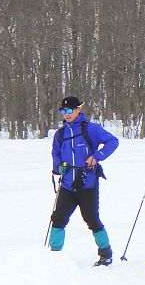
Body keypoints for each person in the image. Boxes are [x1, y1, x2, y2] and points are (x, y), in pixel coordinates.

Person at [48, 95, 120, 266]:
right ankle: (54, 256)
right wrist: (59, 167)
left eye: (70, 110)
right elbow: (55, 154)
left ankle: (105, 253)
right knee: (58, 218)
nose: (66, 114)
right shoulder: (60, 134)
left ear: (78, 110)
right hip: (67, 184)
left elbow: (112, 141)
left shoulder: (91, 129)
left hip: (88, 183)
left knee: (91, 219)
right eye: (63, 111)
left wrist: (97, 156)